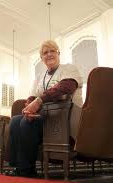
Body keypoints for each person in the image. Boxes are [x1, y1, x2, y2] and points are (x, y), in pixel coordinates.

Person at [7, 40, 82, 177]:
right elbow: (31, 97)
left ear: (58, 53)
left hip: (65, 118)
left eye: (52, 51)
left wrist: (39, 100)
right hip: (46, 118)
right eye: (45, 53)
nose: (49, 55)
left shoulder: (69, 68)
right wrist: (29, 109)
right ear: (41, 58)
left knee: (26, 123)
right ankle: (18, 167)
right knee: (15, 121)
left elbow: (67, 86)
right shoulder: (39, 77)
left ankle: (27, 171)